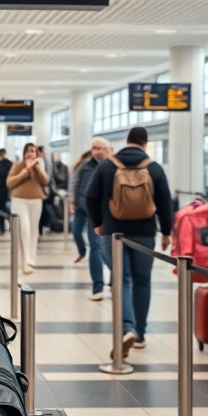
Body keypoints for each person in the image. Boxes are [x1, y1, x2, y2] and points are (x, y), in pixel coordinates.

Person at [87, 127, 173, 364]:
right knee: (142, 281)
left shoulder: (107, 165)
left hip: (113, 232)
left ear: (126, 142)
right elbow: (165, 202)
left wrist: (97, 223)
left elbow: (90, 196)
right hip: (145, 233)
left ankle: (127, 327)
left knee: (121, 279)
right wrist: (166, 232)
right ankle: (141, 334)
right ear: (145, 144)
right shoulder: (154, 167)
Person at [71, 138, 114, 300]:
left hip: (99, 214)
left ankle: (99, 287)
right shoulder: (85, 167)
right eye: (94, 148)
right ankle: (82, 252)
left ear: (108, 149)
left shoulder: (112, 166)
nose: (97, 151)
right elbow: (77, 186)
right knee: (76, 232)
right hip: (83, 209)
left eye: (101, 148)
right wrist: (73, 202)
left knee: (97, 248)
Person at [6, 143, 49, 275]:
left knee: (34, 230)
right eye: (28, 151)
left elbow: (45, 181)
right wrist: (25, 171)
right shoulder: (17, 165)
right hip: (19, 200)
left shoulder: (39, 166)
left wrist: (37, 168)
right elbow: (10, 183)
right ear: (24, 153)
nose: (30, 153)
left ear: (37, 153)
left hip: (36, 200)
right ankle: (25, 261)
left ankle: (31, 259)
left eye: (33, 151)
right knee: (25, 230)